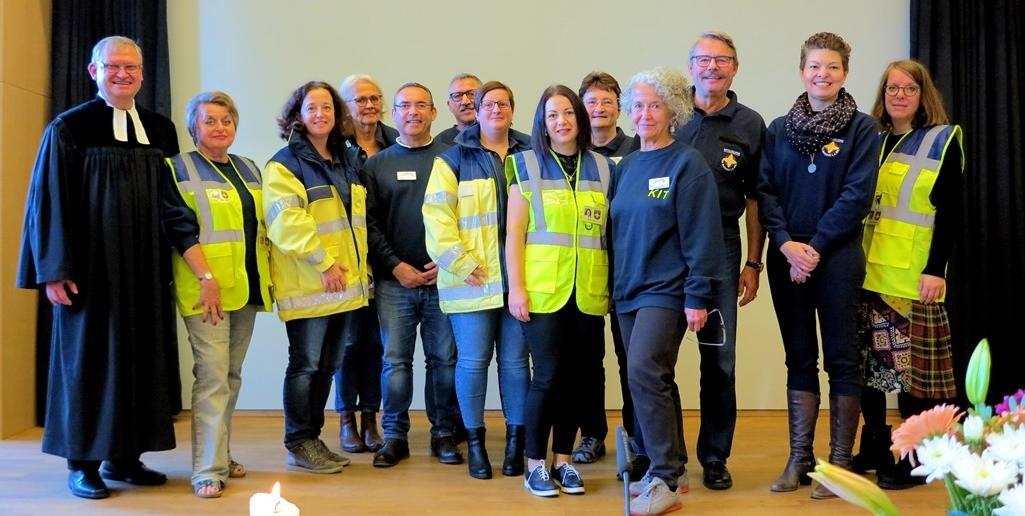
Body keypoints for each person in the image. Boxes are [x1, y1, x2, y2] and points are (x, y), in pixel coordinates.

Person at [17, 35, 180, 500]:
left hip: (145, 269)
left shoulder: (160, 129)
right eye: (113, 67)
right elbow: (47, 203)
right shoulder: (70, 127)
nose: (123, 74)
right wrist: (53, 268)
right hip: (90, 270)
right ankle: (83, 463)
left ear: (143, 75)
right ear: (94, 72)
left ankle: (127, 457)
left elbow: (172, 202)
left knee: (138, 358)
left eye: (131, 67)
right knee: (88, 361)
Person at [758, 32, 880, 499]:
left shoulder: (863, 129)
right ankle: (800, 459)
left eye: (832, 67)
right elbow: (765, 193)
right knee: (799, 357)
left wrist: (815, 248)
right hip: (787, 259)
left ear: (845, 73)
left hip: (838, 259)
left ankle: (841, 466)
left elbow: (857, 195)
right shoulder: (777, 129)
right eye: (814, 66)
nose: (822, 74)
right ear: (802, 70)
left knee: (843, 358)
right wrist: (788, 245)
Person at [611, 67, 725, 516]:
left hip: (668, 289)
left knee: (643, 370)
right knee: (654, 377)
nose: (644, 114)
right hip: (627, 291)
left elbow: (702, 234)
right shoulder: (629, 164)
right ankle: (672, 466)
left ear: (673, 110)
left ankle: (662, 477)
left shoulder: (686, 163)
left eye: (654, 105)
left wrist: (698, 294)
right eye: (637, 105)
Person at [852, 59, 963, 489]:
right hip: (867, 274)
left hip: (912, 279)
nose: (899, 95)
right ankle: (877, 447)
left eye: (909, 88)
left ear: (923, 94)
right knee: (870, 372)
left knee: (910, 377)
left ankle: (914, 457)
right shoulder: (872, 140)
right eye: (891, 88)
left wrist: (937, 270)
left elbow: (951, 213)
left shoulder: (942, 139)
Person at [162, 91, 273, 497]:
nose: (220, 128)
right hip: (204, 289)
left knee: (230, 375)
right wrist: (206, 276)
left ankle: (221, 455)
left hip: (244, 288)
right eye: (210, 121)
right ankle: (206, 469)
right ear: (194, 128)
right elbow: (179, 228)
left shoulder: (248, 168)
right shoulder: (177, 168)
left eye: (226, 121)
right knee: (211, 377)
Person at [506, 85, 613, 497]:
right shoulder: (525, 165)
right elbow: (514, 234)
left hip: (587, 290)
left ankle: (564, 461)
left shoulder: (603, 168)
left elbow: (606, 233)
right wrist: (517, 287)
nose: (561, 121)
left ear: (580, 118)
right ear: (542, 122)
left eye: (568, 113)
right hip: (542, 290)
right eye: (552, 115)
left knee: (575, 379)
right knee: (547, 377)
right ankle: (535, 464)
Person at [423, 80, 531, 480]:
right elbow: (436, 219)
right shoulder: (451, 159)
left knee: (517, 364)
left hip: (519, 282)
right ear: (477, 110)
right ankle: (476, 445)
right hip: (471, 280)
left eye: (503, 103)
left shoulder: (530, 155)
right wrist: (463, 264)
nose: (496, 109)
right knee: (471, 363)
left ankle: (516, 446)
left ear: (512, 110)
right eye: (489, 103)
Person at [675, 31, 767, 491]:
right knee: (654, 359)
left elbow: (755, 198)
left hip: (723, 250)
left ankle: (714, 456)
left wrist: (754, 262)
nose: (712, 67)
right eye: (704, 60)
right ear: (690, 66)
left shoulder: (750, 124)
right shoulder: (671, 113)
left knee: (719, 361)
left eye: (722, 60)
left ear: (735, 67)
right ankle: (662, 454)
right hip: (667, 252)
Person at [264, 81, 369, 474]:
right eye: (312, 108)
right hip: (312, 282)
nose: (321, 114)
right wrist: (324, 263)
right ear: (297, 116)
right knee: (305, 365)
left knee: (327, 366)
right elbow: (287, 223)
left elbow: (354, 224)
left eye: (327, 107)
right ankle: (298, 441)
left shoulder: (346, 159)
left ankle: (313, 438)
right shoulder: (285, 164)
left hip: (344, 285)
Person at [364, 83, 463, 468]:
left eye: (421, 105)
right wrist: (395, 266)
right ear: (394, 114)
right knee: (395, 362)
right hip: (395, 283)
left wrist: (449, 262)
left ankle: (443, 436)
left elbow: (464, 219)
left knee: (443, 361)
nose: (413, 112)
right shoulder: (377, 165)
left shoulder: (451, 159)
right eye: (405, 105)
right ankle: (394, 437)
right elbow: (369, 224)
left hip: (444, 280)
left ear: (434, 113)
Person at [334, 73, 393, 453]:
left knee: (376, 343)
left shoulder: (394, 140)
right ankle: (345, 419)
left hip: (386, 260)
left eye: (374, 98)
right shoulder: (334, 147)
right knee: (349, 342)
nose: (369, 105)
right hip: (347, 261)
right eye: (360, 100)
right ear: (346, 107)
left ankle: (372, 417)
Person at [436, 73, 483, 146]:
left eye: (472, 94)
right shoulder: (440, 143)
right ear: (449, 105)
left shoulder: (499, 137)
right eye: (457, 96)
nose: (465, 102)